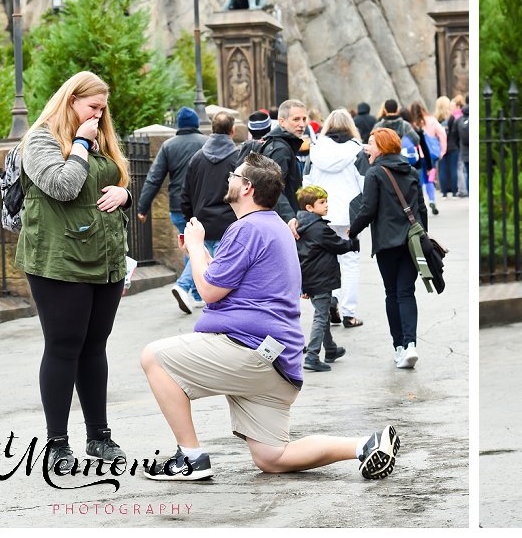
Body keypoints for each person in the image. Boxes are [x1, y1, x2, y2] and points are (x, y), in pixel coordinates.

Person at [140, 153, 399, 481]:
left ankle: (190, 457)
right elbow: (226, 278)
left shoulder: (246, 229)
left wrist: (195, 244)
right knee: (272, 457)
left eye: (234, 175)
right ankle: (365, 445)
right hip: (278, 362)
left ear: (246, 187)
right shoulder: (272, 226)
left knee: (154, 358)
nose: (229, 179)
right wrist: (199, 253)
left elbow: (207, 291)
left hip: (250, 351)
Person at [17, 71, 134, 470]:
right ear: (70, 101)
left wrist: (126, 193)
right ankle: (56, 444)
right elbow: (64, 186)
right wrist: (82, 141)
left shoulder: (100, 135)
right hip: (58, 260)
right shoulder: (40, 140)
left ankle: (98, 437)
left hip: (105, 259)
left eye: (103, 109)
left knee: (95, 346)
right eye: (93, 107)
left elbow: (116, 179)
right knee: (64, 345)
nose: (100, 116)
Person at [348, 127, 428, 370]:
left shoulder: (375, 173)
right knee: (407, 292)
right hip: (412, 242)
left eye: (371, 143)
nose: (367, 148)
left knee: (392, 293)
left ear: (382, 147)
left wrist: (353, 230)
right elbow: (421, 208)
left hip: (387, 243)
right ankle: (411, 344)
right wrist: (423, 236)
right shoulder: (411, 171)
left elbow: (368, 209)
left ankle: (399, 347)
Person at [137, 107, 207, 312]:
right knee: (202, 247)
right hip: (202, 205)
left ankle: (193, 292)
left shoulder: (168, 146)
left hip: (178, 206)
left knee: (190, 247)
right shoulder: (205, 143)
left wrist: (143, 206)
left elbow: (154, 178)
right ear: (196, 123)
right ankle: (190, 289)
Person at [306, 109, 368, 328]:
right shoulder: (358, 151)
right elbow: (364, 183)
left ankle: (331, 299)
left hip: (322, 212)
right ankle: (349, 312)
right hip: (349, 213)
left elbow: (307, 182)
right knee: (350, 262)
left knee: (327, 261)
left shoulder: (315, 150)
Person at [179, 111, 244, 314]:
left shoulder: (197, 158)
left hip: (202, 218)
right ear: (232, 130)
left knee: (201, 254)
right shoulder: (237, 158)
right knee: (219, 261)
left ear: (212, 129)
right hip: (228, 220)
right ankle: (186, 286)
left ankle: (185, 287)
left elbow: (186, 192)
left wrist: (190, 217)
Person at [294, 185, 354, 372]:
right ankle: (312, 356)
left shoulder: (301, 226)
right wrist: (353, 242)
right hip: (322, 279)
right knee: (321, 317)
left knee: (324, 313)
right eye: (322, 202)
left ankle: (331, 349)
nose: (326, 205)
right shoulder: (319, 228)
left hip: (310, 279)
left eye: (326, 201)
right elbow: (339, 246)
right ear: (309, 208)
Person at [410, 99, 445, 216]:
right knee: (430, 178)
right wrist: (443, 150)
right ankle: (432, 200)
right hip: (431, 155)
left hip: (417, 156)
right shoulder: (431, 120)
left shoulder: (411, 124)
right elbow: (442, 133)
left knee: (419, 180)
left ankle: (420, 203)